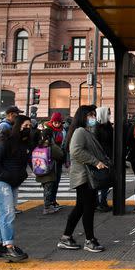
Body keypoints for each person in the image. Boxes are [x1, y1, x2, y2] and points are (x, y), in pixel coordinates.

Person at [58, 105, 110, 253]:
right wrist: (96, 162)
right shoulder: (80, 131)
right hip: (84, 176)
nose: (93, 118)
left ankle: (66, 237)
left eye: (94, 115)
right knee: (88, 208)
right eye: (90, 115)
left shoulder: (85, 131)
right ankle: (89, 240)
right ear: (83, 116)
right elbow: (76, 151)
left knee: (81, 207)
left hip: (85, 176)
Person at [0, 115, 33, 262]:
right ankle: (9, 246)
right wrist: (7, 176)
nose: (28, 129)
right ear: (18, 126)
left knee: (4, 215)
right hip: (1, 182)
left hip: (12, 182)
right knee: (8, 214)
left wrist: (20, 176)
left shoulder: (23, 143)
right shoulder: (4, 140)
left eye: (30, 126)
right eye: (25, 126)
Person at [35, 132, 64, 215]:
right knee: (48, 190)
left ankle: (48, 206)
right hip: (49, 173)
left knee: (46, 190)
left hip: (40, 171)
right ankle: (47, 207)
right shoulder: (51, 147)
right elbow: (60, 155)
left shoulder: (39, 146)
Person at [42, 112, 66, 210]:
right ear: (51, 121)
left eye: (58, 122)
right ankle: (48, 204)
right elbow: (43, 144)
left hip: (59, 160)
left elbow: (64, 146)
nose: (56, 124)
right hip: (49, 160)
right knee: (49, 182)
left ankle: (53, 201)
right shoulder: (47, 131)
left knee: (56, 181)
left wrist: (66, 159)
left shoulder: (63, 131)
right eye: (55, 122)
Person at [94, 107, 113, 212]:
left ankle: (103, 201)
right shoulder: (97, 127)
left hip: (108, 156)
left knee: (106, 181)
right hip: (100, 157)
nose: (109, 115)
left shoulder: (108, 125)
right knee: (100, 180)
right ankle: (98, 202)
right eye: (108, 113)